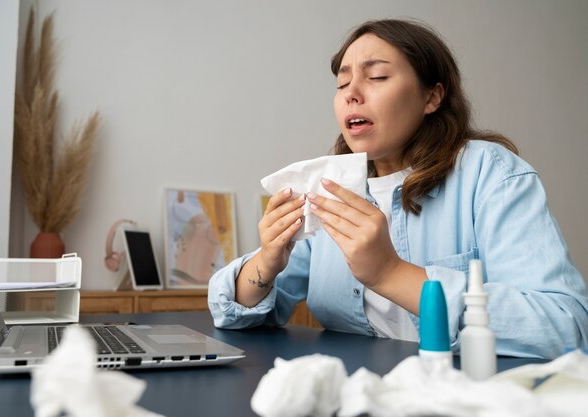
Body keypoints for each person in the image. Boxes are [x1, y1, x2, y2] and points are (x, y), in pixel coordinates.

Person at [208, 19, 588, 359]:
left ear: (432, 96)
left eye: (376, 77)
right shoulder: (329, 189)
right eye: (342, 82)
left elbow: (565, 327)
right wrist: (267, 263)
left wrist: (389, 273)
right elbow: (231, 311)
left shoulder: (490, 173)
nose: (351, 93)